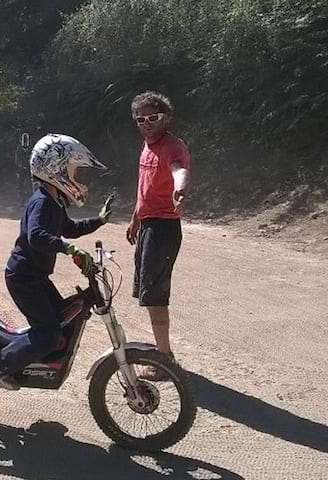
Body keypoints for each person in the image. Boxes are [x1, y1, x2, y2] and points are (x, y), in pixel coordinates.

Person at [0, 134, 115, 390]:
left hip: (36, 277)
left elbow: (69, 228)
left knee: (62, 322)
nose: (77, 177)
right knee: (49, 333)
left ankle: (35, 364)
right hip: (23, 278)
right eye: (73, 170)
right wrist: (67, 248)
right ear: (55, 168)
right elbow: (37, 236)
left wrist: (99, 220)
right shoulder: (41, 201)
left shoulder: (54, 201)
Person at [126, 91, 191, 381]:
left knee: (155, 296)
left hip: (164, 228)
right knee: (148, 294)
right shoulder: (146, 146)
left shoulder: (173, 146)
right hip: (148, 225)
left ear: (167, 117)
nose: (147, 123)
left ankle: (164, 359)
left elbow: (179, 171)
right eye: (141, 119)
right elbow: (145, 188)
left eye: (153, 117)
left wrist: (180, 189)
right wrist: (135, 219)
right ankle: (163, 353)